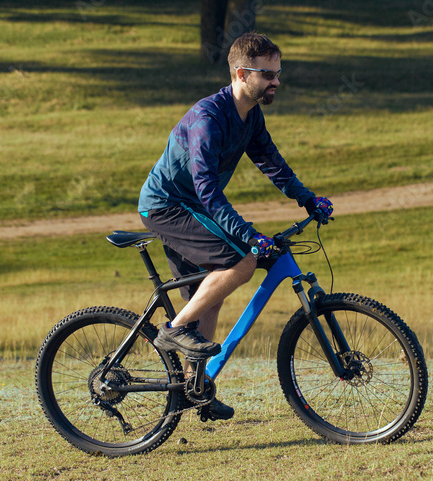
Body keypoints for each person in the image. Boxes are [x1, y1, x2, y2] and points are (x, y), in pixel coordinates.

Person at [137, 31, 333, 421]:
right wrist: (248, 235)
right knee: (240, 263)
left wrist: (307, 197)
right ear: (242, 74)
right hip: (167, 206)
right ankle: (173, 328)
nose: (276, 81)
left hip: (194, 206)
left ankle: (196, 389)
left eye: (279, 72)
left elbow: (271, 162)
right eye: (268, 74)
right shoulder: (209, 118)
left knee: (212, 289)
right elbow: (206, 188)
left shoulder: (250, 115)